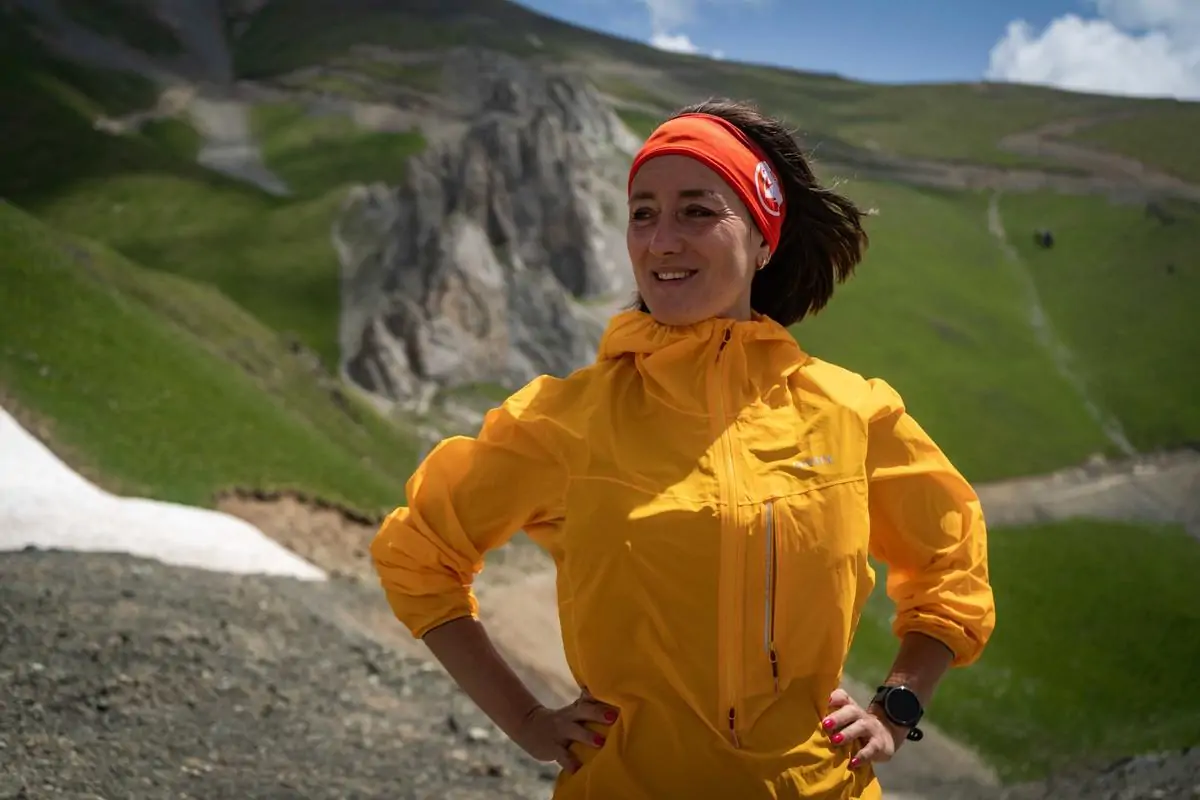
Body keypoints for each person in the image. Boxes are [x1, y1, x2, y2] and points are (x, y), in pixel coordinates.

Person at [370, 98, 996, 799]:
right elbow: (418, 558)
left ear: (763, 240)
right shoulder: (563, 420)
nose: (662, 240)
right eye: (643, 214)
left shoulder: (852, 411)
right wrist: (526, 721)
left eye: (697, 211)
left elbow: (952, 561)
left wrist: (895, 709)